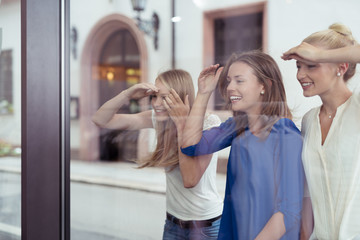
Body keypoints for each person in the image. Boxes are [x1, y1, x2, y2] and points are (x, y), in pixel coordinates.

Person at [177, 50, 304, 239]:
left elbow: (289, 211)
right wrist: (204, 93)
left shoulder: (285, 133)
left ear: (264, 85)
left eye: (239, 80)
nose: (229, 87)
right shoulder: (235, 128)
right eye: (229, 80)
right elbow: (189, 145)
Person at [92, 69, 223, 240]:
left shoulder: (208, 123)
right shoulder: (158, 119)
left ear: (181, 96)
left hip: (206, 227)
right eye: (155, 96)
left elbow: (190, 179)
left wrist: (182, 124)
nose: (156, 103)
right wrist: (127, 94)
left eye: (165, 97)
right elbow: (101, 120)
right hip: (173, 224)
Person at [282, 23, 360, 239]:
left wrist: (321, 53)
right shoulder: (309, 121)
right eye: (299, 66)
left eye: (311, 65)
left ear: (341, 67)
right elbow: (309, 192)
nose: (300, 75)